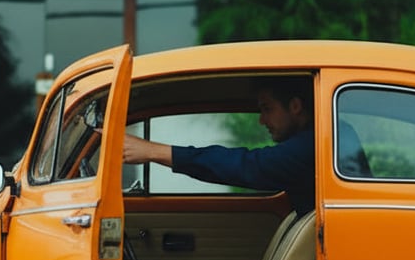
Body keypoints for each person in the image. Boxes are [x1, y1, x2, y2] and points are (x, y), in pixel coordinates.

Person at [122, 76, 316, 215]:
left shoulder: (312, 145)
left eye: (267, 109)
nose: (262, 121)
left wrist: (152, 151)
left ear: (295, 106)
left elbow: (248, 166)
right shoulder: (321, 140)